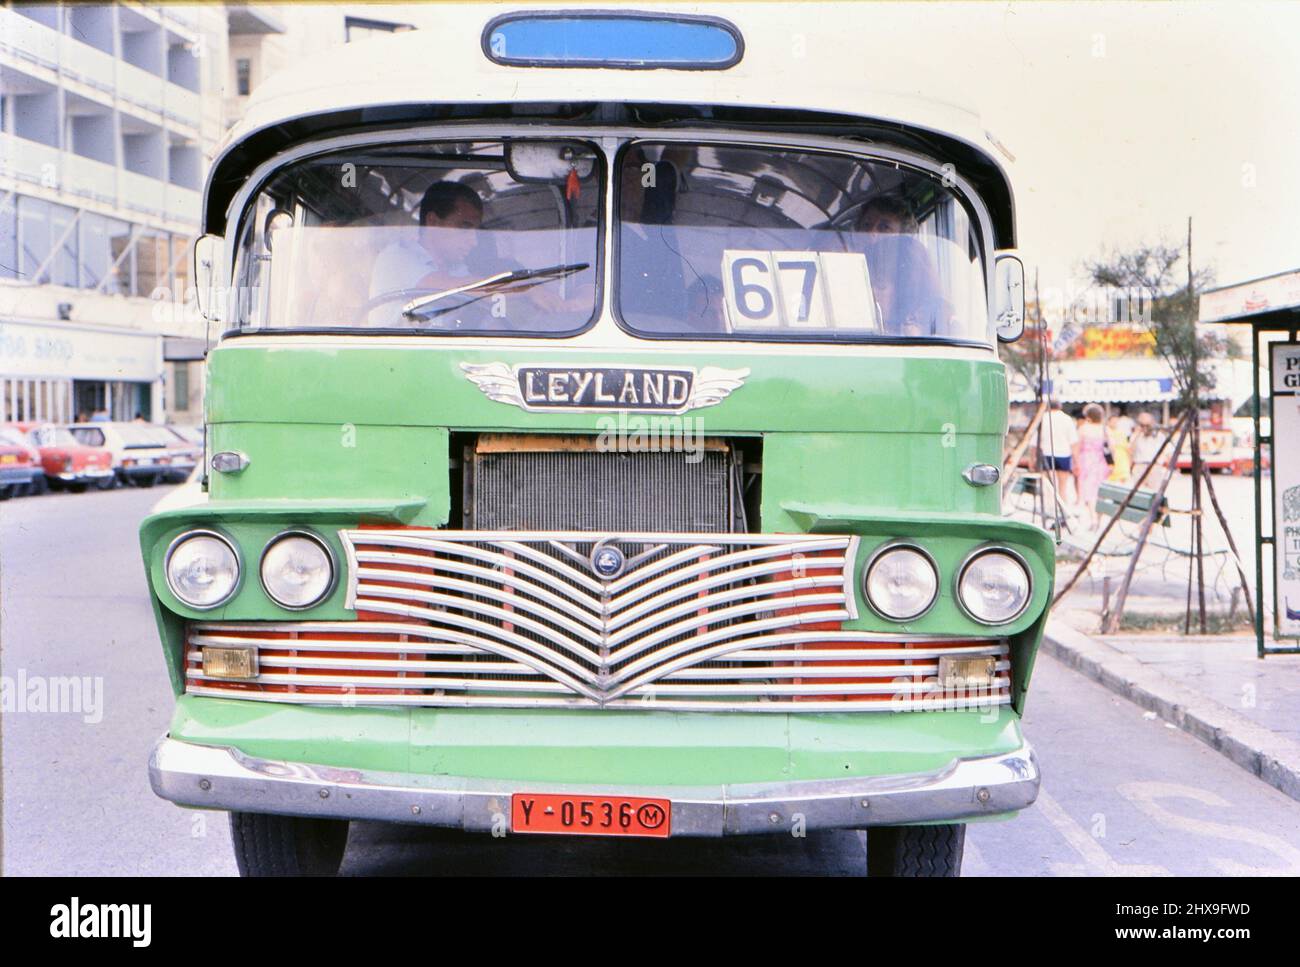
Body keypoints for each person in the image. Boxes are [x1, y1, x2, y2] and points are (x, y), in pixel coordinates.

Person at [367, 181, 485, 326]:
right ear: (433, 221)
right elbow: (453, 290)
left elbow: (481, 311)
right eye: (464, 228)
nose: (474, 242)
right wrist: (515, 286)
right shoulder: (398, 257)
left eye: (476, 232)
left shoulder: (458, 269)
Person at [856, 196, 951, 336]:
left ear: (903, 238)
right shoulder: (847, 278)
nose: (872, 233)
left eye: (884, 227)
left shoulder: (922, 281)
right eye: (866, 225)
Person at [1073, 403, 1110, 530]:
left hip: (1086, 461)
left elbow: (1076, 448)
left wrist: (1076, 463)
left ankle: (1093, 518)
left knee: (1088, 491)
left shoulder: (1083, 429)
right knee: (1100, 492)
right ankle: (1098, 518)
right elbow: (1112, 448)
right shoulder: (1105, 429)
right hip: (1100, 462)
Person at [1038, 399, 1079, 512]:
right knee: (1062, 485)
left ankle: (1049, 507)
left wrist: (1032, 458)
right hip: (1063, 454)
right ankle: (1062, 509)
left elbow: (1034, 442)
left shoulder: (1042, 418)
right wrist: (1076, 461)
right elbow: (1073, 442)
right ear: (1060, 406)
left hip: (1046, 454)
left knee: (1048, 485)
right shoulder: (1067, 419)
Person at [1129, 412, 1165, 483]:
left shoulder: (1160, 436)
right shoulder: (1136, 436)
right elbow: (1130, 451)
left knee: (1154, 492)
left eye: (1147, 425)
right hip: (1139, 466)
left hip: (1154, 467)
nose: (1145, 428)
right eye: (1142, 425)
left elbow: (1167, 452)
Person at [1106, 412, 1132, 482]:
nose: (1114, 423)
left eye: (1116, 421)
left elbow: (1128, 448)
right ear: (1108, 422)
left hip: (1123, 461)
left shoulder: (1122, 433)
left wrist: (1130, 462)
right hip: (1111, 462)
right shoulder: (1106, 433)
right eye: (1113, 421)